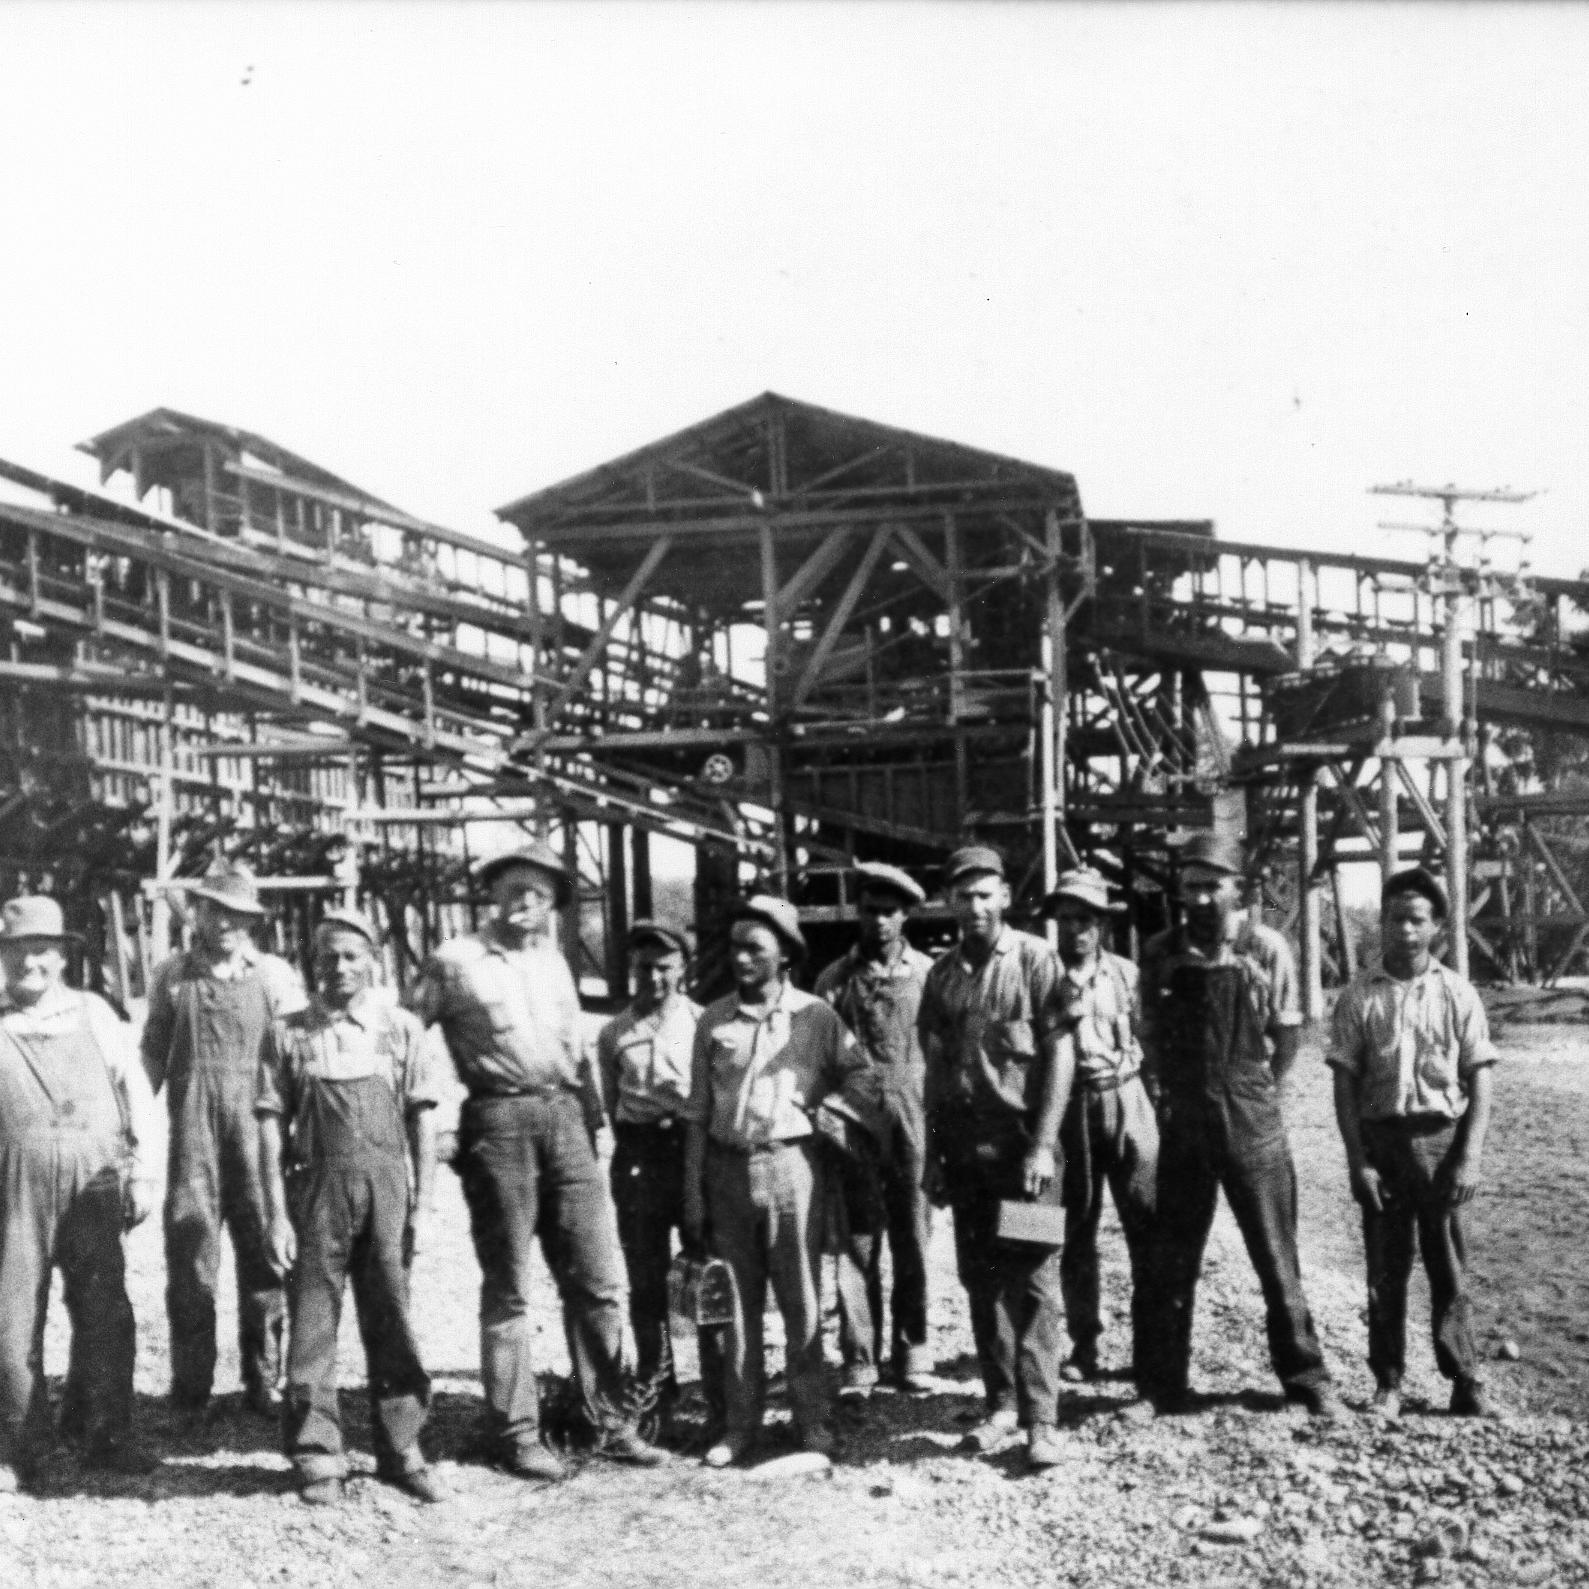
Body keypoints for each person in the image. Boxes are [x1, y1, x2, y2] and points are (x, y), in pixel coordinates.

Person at [412, 843, 664, 1479]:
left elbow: (576, 1053)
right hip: (497, 1121)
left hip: (565, 1118)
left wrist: (594, 1122)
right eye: (512, 889)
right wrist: (434, 1125)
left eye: (539, 891)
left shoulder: (553, 961)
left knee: (599, 1278)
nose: (525, 902)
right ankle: (517, 1432)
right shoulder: (455, 960)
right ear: (492, 894)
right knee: (510, 1286)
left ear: (554, 900)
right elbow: (406, 1037)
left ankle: (610, 1421)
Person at [1137, 832, 1342, 1419]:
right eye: (1191, 887)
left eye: (1212, 886)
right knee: (1172, 1256)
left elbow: (1289, 1034)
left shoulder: (1265, 947)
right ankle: (1160, 1388)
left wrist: (1263, 1097)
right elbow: (1149, 1034)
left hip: (1251, 1116)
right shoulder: (1160, 951)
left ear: (1237, 889)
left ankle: (1307, 1380)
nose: (1201, 899)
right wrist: (1165, 1095)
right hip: (1186, 1117)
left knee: (1276, 1254)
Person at [257, 910, 444, 1505]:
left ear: (372, 961)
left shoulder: (401, 1029)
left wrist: (425, 1205)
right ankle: (316, 1454)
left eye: (350, 956)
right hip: (314, 1191)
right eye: (326, 957)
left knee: (390, 1311)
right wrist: (276, 1214)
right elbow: (267, 1123)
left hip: (387, 1189)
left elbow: (424, 1119)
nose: (338, 967)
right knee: (312, 1320)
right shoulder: (288, 1032)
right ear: (312, 965)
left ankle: (402, 1447)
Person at [683, 895, 875, 1468]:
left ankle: (811, 1421)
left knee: (801, 1299)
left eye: (754, 948)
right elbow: (696, 1111)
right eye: (735, 946)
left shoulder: (817, 1017)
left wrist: (830, 1112)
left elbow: (861, 1076)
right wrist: (693, 1189)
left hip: (795, 1168)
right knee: (735, 1305)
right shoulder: (712, 1019)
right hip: (727, 1168)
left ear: (785, 956)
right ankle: (740, 1427)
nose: (740, 958)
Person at [918, 846, 1075, 1471]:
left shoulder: (1036, 959)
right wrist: (933, 1152)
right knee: (979, 1278)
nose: (976, 906)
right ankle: (1000, 1403)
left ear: (1006, 897)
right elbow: (934, 1066)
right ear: (951, 903)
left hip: (1023, 1153)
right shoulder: (943, 975)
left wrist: (1041, 1144)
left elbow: (1060, 1054)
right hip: (966, 1152)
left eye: (987, 894)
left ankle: (1042, 1421)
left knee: (1033, 1278)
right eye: (965, 896)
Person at [0, 895, 160, 1489]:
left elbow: (138, 1098)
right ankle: (18, 1450)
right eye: (17, 951)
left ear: (62, 957)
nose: (29, 963)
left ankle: (105, 1438)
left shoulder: (95, 1015)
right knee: (12, 1318)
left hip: (93, 1185)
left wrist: (143, 1172)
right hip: (13, 1191)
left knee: (104, 1311)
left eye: (41, 950)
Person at [1328, 866, 1498, 1420]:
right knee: (1386, 1268)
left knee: (1447, 1264)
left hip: (1440, 1141)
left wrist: (1468, 1157)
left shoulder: (1457, 992)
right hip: (1382, 1144)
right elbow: (1345, 1083)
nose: (1404, 931)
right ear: (1381, 923)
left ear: (1437, 927)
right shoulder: (1359, 997)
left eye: (1417, 920)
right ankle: (1389, 1382)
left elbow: (1480, 1076)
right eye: (1395, 919)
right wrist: (1359, 1162)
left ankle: (1465, 1378)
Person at [141, 858, 306, 1424]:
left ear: (253, 921)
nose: (227, 923)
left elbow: (297, 1057)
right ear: (199, 913)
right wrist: (134, 1130)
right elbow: (150, 1057)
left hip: (259, 1134)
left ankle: (265, 1383)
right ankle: (191, 1392)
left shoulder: (275, 977)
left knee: (266, 1254)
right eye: (217, 911)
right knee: (190, 1259)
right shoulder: (172, 975)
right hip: (192, 1136)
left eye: (239, 915)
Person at [814, 861, 936, 1396]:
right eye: (871, 911)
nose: (880, 922)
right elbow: (818, 1059)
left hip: (914, 1119)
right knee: (857, 1244)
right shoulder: (835, 980)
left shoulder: (930, 975)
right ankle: (859, 1360)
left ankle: (912, 1353)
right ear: (857, 913)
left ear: (905, 915)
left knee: (913, 1237)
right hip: (854, 1124)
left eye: (890, 912)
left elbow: (945, 1052)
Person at [1041, 868, 1158, 1392]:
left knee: (1147, 1225)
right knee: (1071, 1231)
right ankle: (1084, 1343)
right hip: (1068, 1106)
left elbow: (1151, 1046)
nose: (1075, 930)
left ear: (1103, 924)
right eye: (1065, 920)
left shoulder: (1129, 975)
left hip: (1127, 1095)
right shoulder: (1041, 976)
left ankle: (1152, 1347)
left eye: (1085, 919)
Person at [593, 919, 704, 1417]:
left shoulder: (704, 1024)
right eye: (644, 968)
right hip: (640, 1157)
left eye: (664, 967)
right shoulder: (614, 1033)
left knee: (705, 1267)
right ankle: (658, 1382)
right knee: (646, 1275)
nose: (653, 978)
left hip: (693, 1153)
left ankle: (718, 1382)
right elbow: (612, 1103)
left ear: (683, 969)